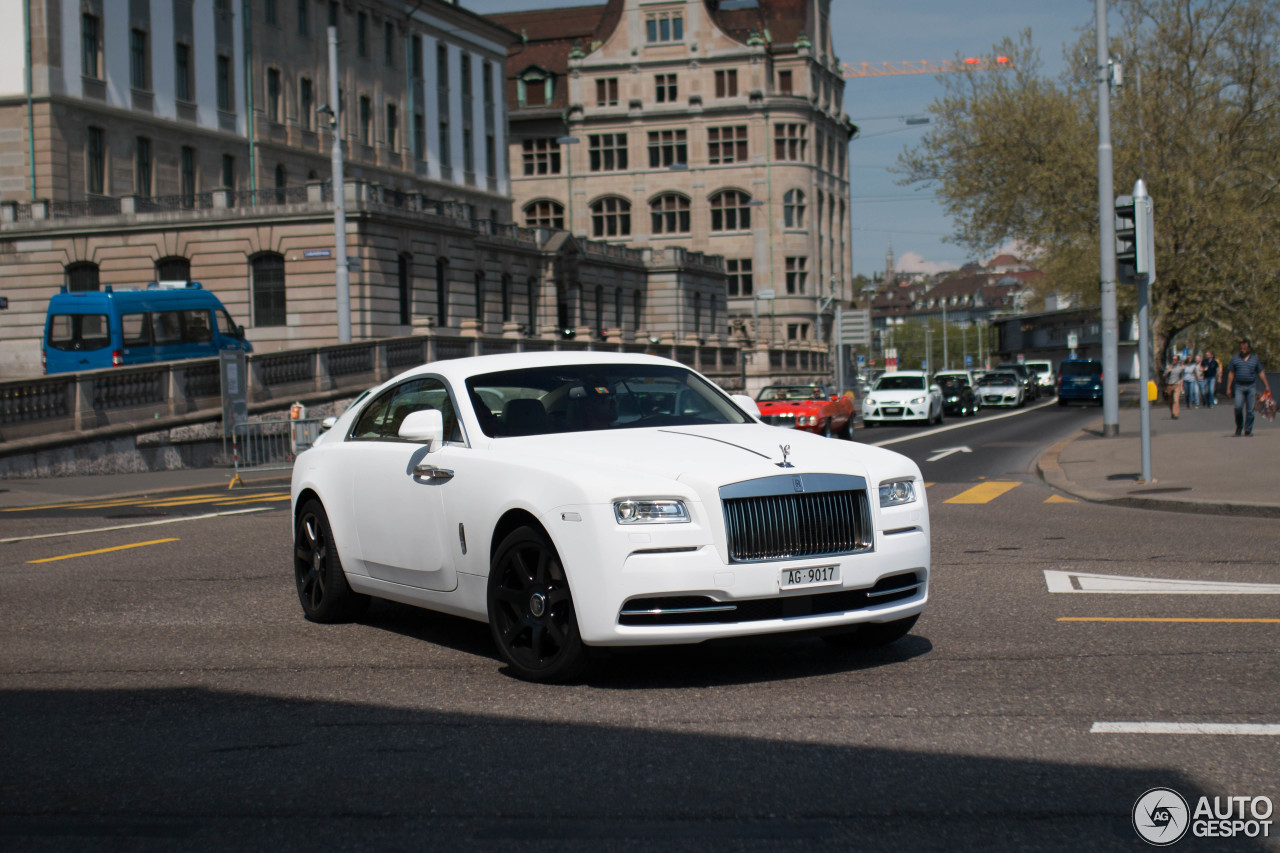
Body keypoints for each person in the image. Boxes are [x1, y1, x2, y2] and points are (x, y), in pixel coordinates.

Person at [1224, 339, 1271, 436]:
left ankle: (1248, 429)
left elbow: (1260, 372)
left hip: (1251, 386)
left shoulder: (1255, 359)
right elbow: (1231, 374)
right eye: (1241, 348)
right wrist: (1228, 388)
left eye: (1245, 348)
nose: (1242, 350)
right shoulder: (1235, 359)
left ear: (1249, 348)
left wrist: (1266, 385)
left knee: (1250, 410)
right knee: (1238, 407)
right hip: (1239, 386)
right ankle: (1239, 427)